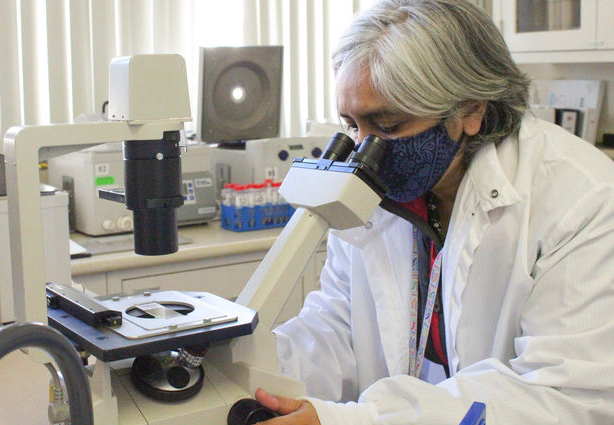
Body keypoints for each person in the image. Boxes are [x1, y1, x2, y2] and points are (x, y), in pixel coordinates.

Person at [253, 0, 614, 424]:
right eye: (352, 126)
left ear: (471, 110)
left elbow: (562, 396)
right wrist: (257, 368)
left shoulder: (581, 197)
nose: (367, 151)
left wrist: (357, 420)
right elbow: (338, 324)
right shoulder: (376, 199)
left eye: (387, 127)